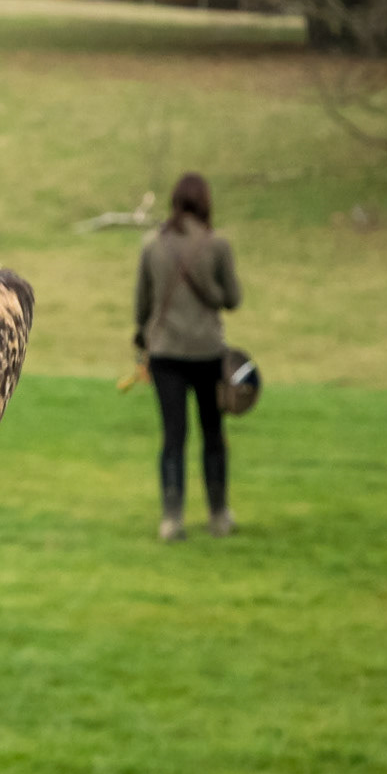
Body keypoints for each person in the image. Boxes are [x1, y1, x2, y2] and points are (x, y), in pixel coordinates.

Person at [133, 172, 242, 540]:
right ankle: (219, 515)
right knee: (213, 433)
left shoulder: (152, 246)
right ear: (205, 202)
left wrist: (141, 341)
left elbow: (142, 305)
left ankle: (172, 518)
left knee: (173, 436)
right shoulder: (217, 245)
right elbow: (233, 299)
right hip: (209, 353)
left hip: (165, 354)